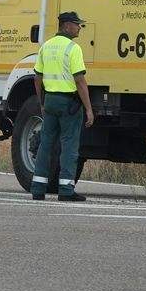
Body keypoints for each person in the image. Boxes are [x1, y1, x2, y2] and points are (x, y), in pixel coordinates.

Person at [30, 11, 95, 202]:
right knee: (69, 146)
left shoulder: (46, 47)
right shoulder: (72, 48)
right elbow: (80, 80)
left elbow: (37, 77)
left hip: (50, 101)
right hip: (69, 104)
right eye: (77, 24)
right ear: (67, 26)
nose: (79, 28)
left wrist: (41, 102)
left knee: (45, 144)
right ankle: (66, 190)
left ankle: (38, 188)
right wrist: (89, 109)